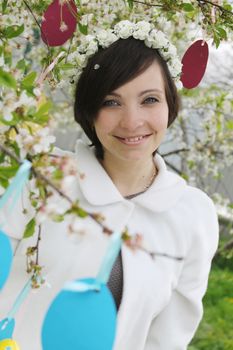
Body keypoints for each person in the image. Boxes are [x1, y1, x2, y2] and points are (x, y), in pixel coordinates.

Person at [0, 20, 219, 349]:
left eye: (149, 100)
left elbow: (168, 338)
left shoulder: (193, 213)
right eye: (111, 102)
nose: (132, 122)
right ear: (88, 111)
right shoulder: (42, 177)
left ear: (170, 103)